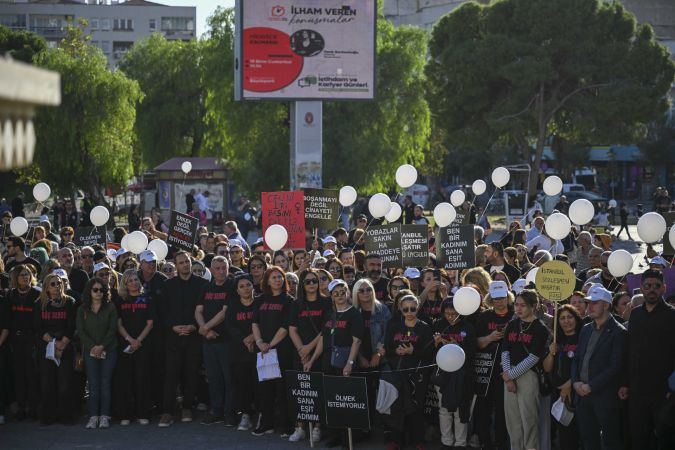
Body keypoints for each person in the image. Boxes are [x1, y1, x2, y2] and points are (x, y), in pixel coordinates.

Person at [619, 269, 675, 450]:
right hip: (636, 392)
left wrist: (671, 389)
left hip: (663, 393)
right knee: (639, 440)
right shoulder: (635, 315)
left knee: (665, 441)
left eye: (656, 286)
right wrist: (625, 383)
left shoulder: (672, 315)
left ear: (664, 288)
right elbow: (630, 351)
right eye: (648, 286)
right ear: (641, 288)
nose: (652, 289)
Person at [306, 279, 363, 448]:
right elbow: (323, 339)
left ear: (347, 293)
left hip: (344, 362)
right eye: (335, 293)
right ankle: (335, 435)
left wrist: (350, 363)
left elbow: (357, 341)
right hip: (328, 361)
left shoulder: (354, 314)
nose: (339, 296)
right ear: (331, 296)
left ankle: (348, 439)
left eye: (342, 292)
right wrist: (311, 360)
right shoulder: (331, 315)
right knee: (331, 399)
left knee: (346, 401)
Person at [571, 284, 626, 450]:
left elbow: (615, 366)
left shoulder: (619, 332)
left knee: (610, 442)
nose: (590, 306)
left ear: (607, 305)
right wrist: (575, 382)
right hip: (582, 395)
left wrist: (591, 386)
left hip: (604, 397)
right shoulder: (586, 329)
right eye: (588, 302)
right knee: (588, 441)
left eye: (595, 302)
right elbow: (577, 358)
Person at [158, 251, 208, 427]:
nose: (185, 265)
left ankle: (187, 407)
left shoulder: (203, 284)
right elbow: (163, 310)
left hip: (194, 335)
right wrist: (172, 326)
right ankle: (167, 412)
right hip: (173, 336)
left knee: (191, 374)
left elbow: (205, 310)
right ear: (176, 265)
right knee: (171, 375)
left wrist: (195, 326)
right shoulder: (167, 285)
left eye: (187, 261)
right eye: (181, 263)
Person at [501, 289, 550, 450]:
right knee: (512, 421)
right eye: (516, 304)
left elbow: (534, 358)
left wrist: (510, 376)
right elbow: (505, 350)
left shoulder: (540, 328)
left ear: (533, 306)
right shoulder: (512, 324)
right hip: (508, 374)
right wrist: (508, 376)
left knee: (529, 420)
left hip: (528, 375)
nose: (518, 309)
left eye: (523, 305)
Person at [383, 294, 433, 450]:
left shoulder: (425, 327)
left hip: (417, 375)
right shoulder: (394, 327)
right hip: (397, 372)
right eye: (406, 309)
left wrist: (413, 351)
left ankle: (418, 440)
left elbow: (430, 353)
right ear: (400, 309)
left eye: (413, 308)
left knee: (416, 408)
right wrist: (395, 351)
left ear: (417, 308)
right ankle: (396, 440)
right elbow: (387, 348)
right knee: (397, 407)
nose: (409, 312)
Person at [287, 269, 330, 442]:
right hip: (300, 353)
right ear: (302, 285)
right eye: (308, 281)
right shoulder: (296, 304)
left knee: (318, 390)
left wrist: (309, 348)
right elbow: (292, 329)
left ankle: (318, 427)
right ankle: (300, 427)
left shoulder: (326, 302)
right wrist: (301, 351)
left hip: (320, 351)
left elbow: (325, 329)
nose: (312, 284)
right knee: (301, 390)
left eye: (315, 281)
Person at [251, 266, 294, 437]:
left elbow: (285, 327)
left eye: (280, 277)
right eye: (274, 277)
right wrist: (260, 342)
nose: (277, 280)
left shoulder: (289, 300)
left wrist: (271, 345)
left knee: (282, 390)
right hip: (263, 351)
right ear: (267, 281)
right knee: (265, 390)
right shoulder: (260, 300)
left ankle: (285, 425)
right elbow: (255, 323)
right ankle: (266, 424)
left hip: (281, 350)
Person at [196, 256, 236, 426]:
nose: (221, 271)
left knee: (229, 378)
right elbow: (198, 310)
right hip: (208, 342)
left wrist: (204, 328)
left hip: (226, 340)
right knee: (213, 378)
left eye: (224, 268)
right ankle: (216, 411)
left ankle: (229, 413)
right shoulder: (206, 287)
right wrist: (205, 330)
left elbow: (224, 313)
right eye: (217, 268)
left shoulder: (232, 286)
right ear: (211, 270)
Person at [432, 298, 476, 450]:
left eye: (454, 314)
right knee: (444, 409)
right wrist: (436, 343)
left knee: (460, 409)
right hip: (443, 374)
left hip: (462, 375)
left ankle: (460, 442)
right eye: (447, 314)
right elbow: (429, 351)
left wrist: (459, 347)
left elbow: (473, 351)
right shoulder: (438, 325)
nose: (450, 317)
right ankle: (446, 440)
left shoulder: (468, 327)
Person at [34, 272, 78, 425]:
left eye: (59, 283)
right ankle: (48, 416)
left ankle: (65, 415)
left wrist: (62, 343)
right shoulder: (39, 304)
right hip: (47, 347)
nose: (57, 286)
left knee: (65, 383)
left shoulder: (70, 302)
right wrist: (53, 342)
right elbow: (38, 327)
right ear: (46, 287)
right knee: (47, 382)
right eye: (53, 284)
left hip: (65, 346)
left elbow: (72, 325)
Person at [475, 281, 514, 450]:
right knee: (483, 407)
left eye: (503, 297)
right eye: (496, 298)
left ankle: (501, 442)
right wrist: (490, 337)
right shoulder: (484, 317)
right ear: (491, 298)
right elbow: (475, 343)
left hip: (508, 370)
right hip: (486, 369)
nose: (500, 301)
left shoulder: (515, 315)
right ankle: (485, 441)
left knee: (503, 410)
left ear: (508, 296)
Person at [77, 277, 118, 429]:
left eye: (102, 290)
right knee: (93, 384)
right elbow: (80, 331)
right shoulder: (82, 309)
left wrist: (102, 346)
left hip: (109, 349)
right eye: (95, 290)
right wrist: (93, 347)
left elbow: (112, 329)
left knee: (105, 383)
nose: (99, 292)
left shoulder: (111, 307)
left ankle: (105, 416)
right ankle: (93, 416)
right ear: (89, 291)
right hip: (90, 351)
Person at [542, 304, 582, 450]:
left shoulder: (583, 338)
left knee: (579, 434)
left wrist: (569, 385)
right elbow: (547, 368)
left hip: (577, 392)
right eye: (562, 318)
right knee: (564, 435)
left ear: (576, 319)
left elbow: (585, 366)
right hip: (558, 394)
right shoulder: (556, 341)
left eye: (570, 317)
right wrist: (551, 352)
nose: (566, 321)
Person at [225, 274, 259, 431]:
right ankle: (245, 415)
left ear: (253, 286)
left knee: (260, 385)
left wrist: (252, 338)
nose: (246, 288)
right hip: (239, 352)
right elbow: (231, 327)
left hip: (259, 350)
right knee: (243, 385)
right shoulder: (233, 306)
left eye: (248, 285)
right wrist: (245, 340)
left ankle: (261, 414)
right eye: (242, 286)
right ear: (237, 290)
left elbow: (265, 323)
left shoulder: (260, 303)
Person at [7, 265, 41, 419]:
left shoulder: (37, 293)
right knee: (18, 374)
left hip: (32, 339)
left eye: (27, 274)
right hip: (15, 340)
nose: (25, 277)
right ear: (16, 277)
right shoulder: (11, 295)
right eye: (21, 275)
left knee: (31, 374)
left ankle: (32, 407)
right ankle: (21, 407)